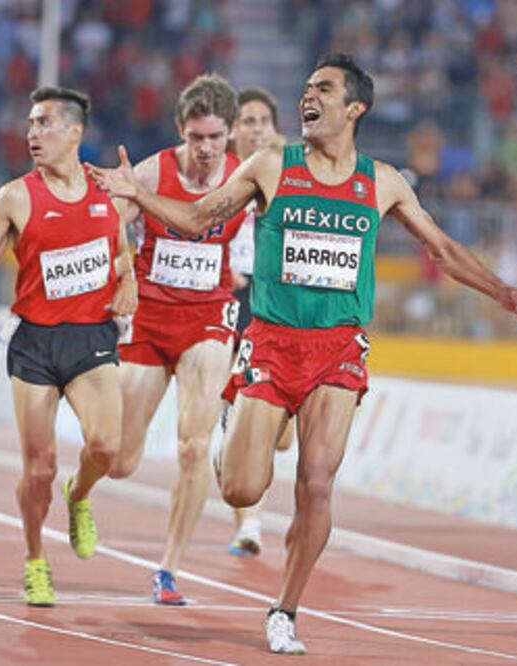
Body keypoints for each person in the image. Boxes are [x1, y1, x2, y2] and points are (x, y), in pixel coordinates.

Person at [91, 52, 517, 654]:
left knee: (317, 485)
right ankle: (236, 425)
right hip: (272, 343)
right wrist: (136, 196)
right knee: (243, 490)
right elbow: (198, 219)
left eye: (323, 89)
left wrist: (502, 292)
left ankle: (285, 610)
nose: (309, 96)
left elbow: (444, 249)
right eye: (306, 87)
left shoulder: (382, 182)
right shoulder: (272, 165)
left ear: (354, 108)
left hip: (338, 348)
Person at [0, 86, 137, 607]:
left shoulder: (107, 193)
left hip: (91, 337)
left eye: (44, 123)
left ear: (75, 132)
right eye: (30, 124)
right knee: (39, 467)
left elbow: (120, 255)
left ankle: (80, 497)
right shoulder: (15, 196)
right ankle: (35, 560)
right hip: (34, 344)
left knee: (107, 449)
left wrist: (128, 281)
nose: (32, 133)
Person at [105, 73, 247, 606]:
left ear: (230, 134)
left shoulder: (242, 177)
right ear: (180, 133)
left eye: (215, 137)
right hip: (149, 318)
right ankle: (85, 487)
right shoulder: (150, 172)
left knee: (194, 446)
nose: (206, 149)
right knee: (121, 459)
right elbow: (112, 223)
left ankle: (168, 567)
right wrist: (123, 273)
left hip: (209, 318)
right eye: (197, 138)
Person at [225, 86, 294, 558]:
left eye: (262, 121)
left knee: (284, 438)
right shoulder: (222, 174)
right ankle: (249, 520)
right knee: (244, 408)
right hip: (230, 299)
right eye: (245, 121)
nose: (254, 128)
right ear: (232, 132)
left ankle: (231, 453)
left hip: (277, 297)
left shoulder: (291, 171)